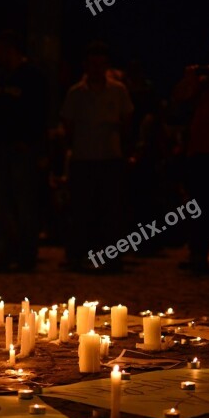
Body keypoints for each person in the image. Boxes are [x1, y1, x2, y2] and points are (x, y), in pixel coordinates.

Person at [61, 41, 134, 272]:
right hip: (84, 157)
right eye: (93, 64)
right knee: (82, 209)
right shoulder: (76, 93)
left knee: (110, 210)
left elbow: (128, 119)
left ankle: (110, 256)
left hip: (110, 157)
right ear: (86, 66)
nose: (96, 69)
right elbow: (68, 123)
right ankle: (80, 255)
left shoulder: (118, 90)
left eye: (101, 64)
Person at [0, 30, 47, 272]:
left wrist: (31, 142)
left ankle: (25, 255)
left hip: (22, 150)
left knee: (24, 204)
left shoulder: (33, 77)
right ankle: (1, 253)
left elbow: (39, 113)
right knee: (1, 204)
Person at [173, 32, 209, 274]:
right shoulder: (204, 81)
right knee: (198, 206)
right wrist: (192, 79)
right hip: (200, 152)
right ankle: (198, 254)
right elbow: (179, 102)